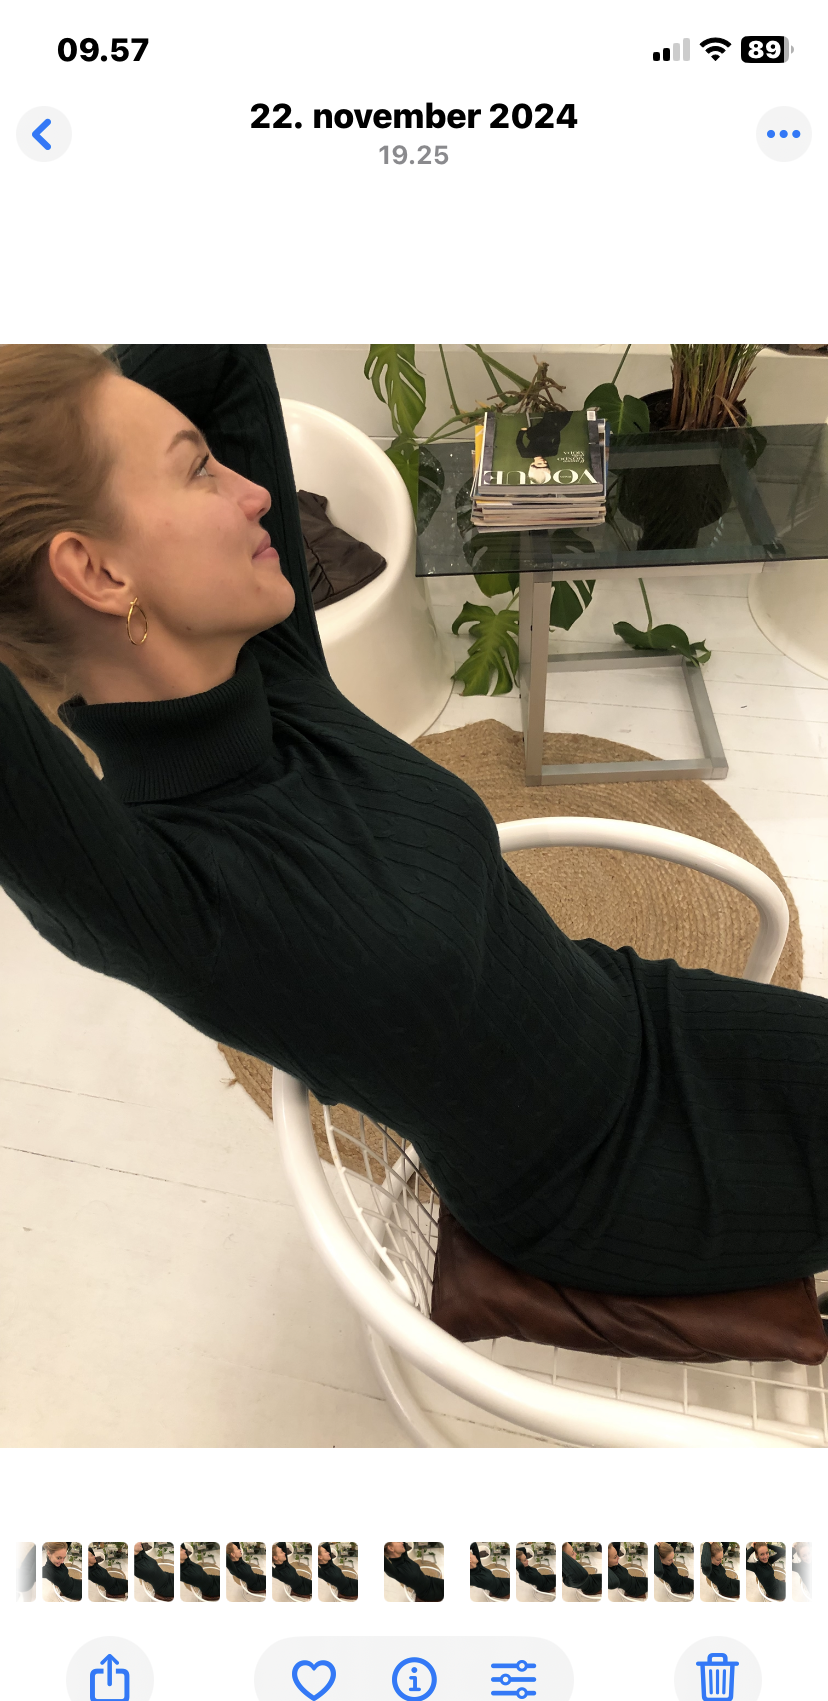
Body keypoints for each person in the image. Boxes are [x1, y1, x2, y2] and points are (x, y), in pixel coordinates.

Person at [3, 343, 828, 1305]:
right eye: (198, 471)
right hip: (609, 1186)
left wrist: (61, 395)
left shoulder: (273, 678)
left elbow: (220, 359)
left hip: (645, 1013)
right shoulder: (150, 888)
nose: (259, 493)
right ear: (95, 569)